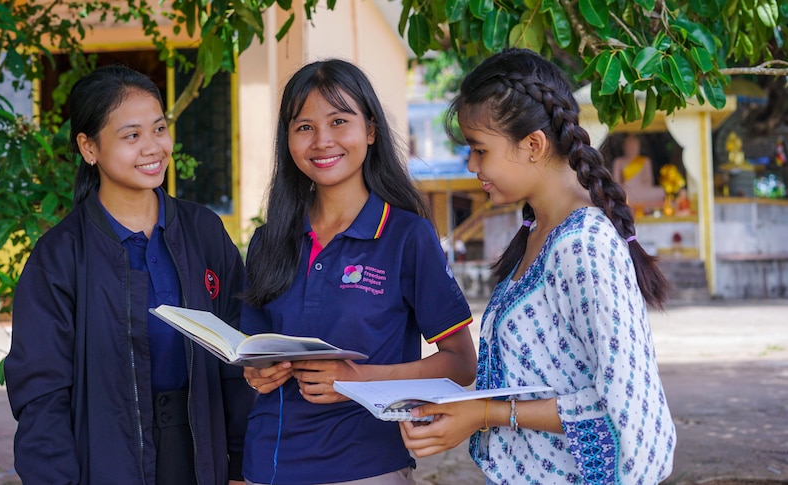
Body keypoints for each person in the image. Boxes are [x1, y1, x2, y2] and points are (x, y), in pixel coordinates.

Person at [399, 48, 676, 484]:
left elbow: (620, 405)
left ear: (533, 145)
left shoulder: (585, 244)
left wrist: (484, 413)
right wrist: (463, 410)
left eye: (479, 150)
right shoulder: (536, 232)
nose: (472, 166)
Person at [5, 65, 255, 484]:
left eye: (159, 129)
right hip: (103, 456)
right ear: (89, 148)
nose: (153, 147)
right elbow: (41, 393)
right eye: (131, 135)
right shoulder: (61, 256)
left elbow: (239, 357)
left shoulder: (203, 231)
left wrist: (243, 462)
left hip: (200, 453)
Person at [240, 59, 477, 485]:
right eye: (304, 127)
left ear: (370, 130)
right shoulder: (267, 242)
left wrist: (356, 379)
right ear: (288, 141)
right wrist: (258, 373)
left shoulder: (407, 236)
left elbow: (460, 364)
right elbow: (253, 358)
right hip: (268, 467)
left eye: (338, 121)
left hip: (367, 467)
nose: (322, 140)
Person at [611, 133, 666, 212]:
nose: (632, 148)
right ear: (624, 147)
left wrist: (643, 186)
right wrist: (623, 187)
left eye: (634, 146)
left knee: (661, 191)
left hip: (642, 191)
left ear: (639, 147)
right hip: (627, 191)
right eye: (629, 146)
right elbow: (616, 182)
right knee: (619, 194)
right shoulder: (619, 161)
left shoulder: (645, 161)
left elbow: (649, 181)